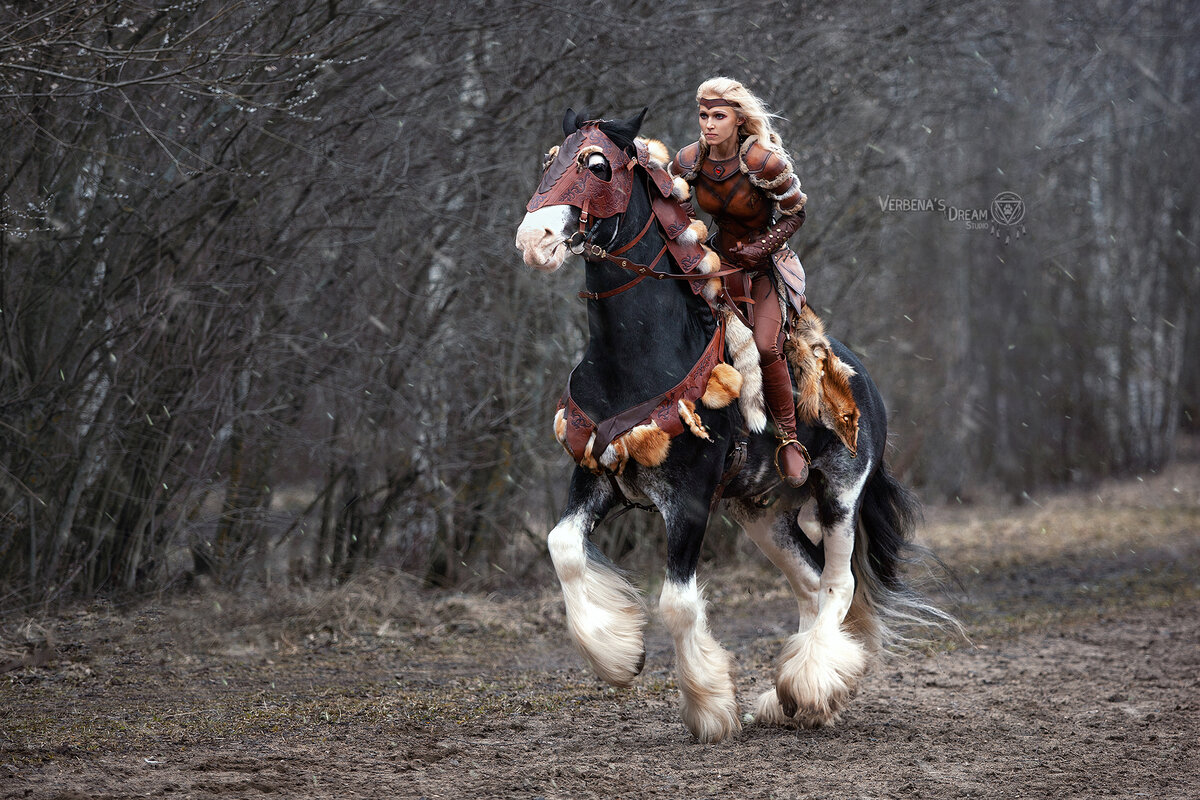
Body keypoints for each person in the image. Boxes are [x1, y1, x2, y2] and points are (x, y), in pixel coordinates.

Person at [671, 76, 810, 487]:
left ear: (738, 119)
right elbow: (672, 206)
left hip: (765, 265)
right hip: (715, 261)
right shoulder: (689, 160)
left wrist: (762, 247)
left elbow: (796, 212)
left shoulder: (765, 162)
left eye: (718, 115)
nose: (708, 124)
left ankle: (788, 439)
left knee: (767, 347)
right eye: (703, 115)